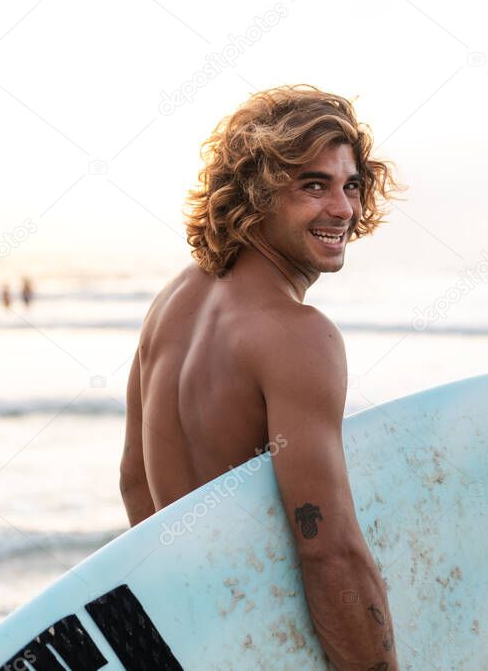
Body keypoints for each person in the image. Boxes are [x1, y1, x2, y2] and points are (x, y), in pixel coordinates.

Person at [119, 84, 403, 670]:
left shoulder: (173, 304)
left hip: (209, 641)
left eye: (350, 185)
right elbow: (330, 554)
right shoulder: (299, 336)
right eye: (312, 185)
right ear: (256, 193)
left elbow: (134, 485)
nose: (343, 208)